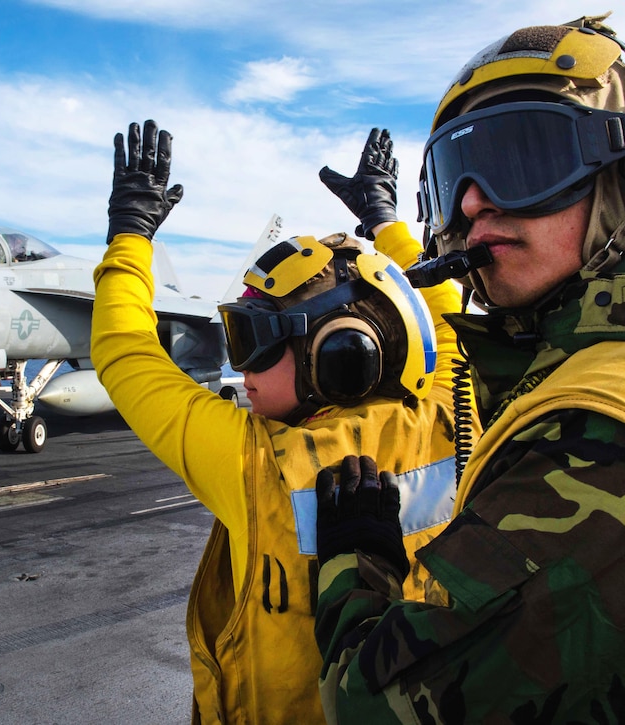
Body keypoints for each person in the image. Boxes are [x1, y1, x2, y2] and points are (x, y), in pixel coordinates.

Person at [315, 14, 625, 723]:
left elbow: (368, 704)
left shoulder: (606, 438)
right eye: (454, 177)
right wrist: (386, 219)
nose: (472, 202)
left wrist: (354, 560)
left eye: (524, 158)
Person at [91, 119, 463, 723]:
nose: (243, 370)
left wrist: (130, 232)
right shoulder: (450, 406)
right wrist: (384, 217)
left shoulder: (255, 462)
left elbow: (123, 350)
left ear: (338, 356)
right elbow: (441, 306)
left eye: (256, 342)